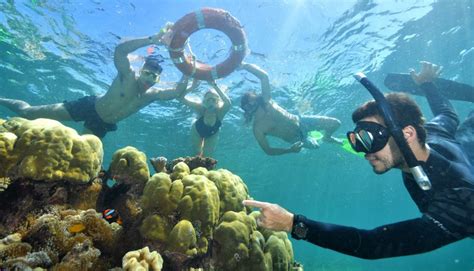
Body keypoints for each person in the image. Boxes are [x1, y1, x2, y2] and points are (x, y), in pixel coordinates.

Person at [243, 61, 474, 259]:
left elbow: (372, 244)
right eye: (358, 141)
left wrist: (292, 224)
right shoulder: (432, 133)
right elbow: (447, 114)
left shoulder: (457, 206)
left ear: (407, 135)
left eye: (370, 139)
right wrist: (427, 83)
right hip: (464, 146)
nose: (365, 153)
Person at [0, 23, 188, 138]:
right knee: (28, 113)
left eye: (154, 77)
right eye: (147, 73)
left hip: (102, 124)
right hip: (88, 106)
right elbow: (120, 51)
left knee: (82, 159)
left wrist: (189, 70)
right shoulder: (128, 75)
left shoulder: (152, 95)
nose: (149, 79)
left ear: (158, 80)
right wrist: (153, 39)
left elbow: (178, 91)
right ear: (141, 71)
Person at [239, 63, 342, 156]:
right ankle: (315, 138)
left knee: (335, 123)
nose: (251, 104)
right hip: (296, 138)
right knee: (316, 146)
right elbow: (268, 151)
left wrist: (243, 65)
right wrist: (290, 150)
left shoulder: (266, 101)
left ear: (256, 99)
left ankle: (327, 137)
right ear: (247, 110)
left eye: (252, 100)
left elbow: (264, 76)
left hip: (302, 122)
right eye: (248, 105)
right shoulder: (258, 128)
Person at [178, 80, 231, 156]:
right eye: (208, 100)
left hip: (213, 133)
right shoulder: (199, 107)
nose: (211, 103)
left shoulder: (220, 112)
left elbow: (228, 103)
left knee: (207, 156)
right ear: (204, 102)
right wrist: (192, 87)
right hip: (197, 130)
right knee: (197, 153)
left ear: (218, 102)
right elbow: (180, 98)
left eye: (213, 100)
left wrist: (215, 86)